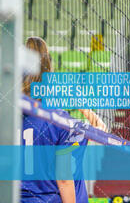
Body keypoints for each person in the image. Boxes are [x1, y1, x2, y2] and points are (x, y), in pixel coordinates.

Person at [21, 37, 105, 203]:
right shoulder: (62, 121)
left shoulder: (8, 115)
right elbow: (65, 178)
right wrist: (84, 108)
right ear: (49, 70)